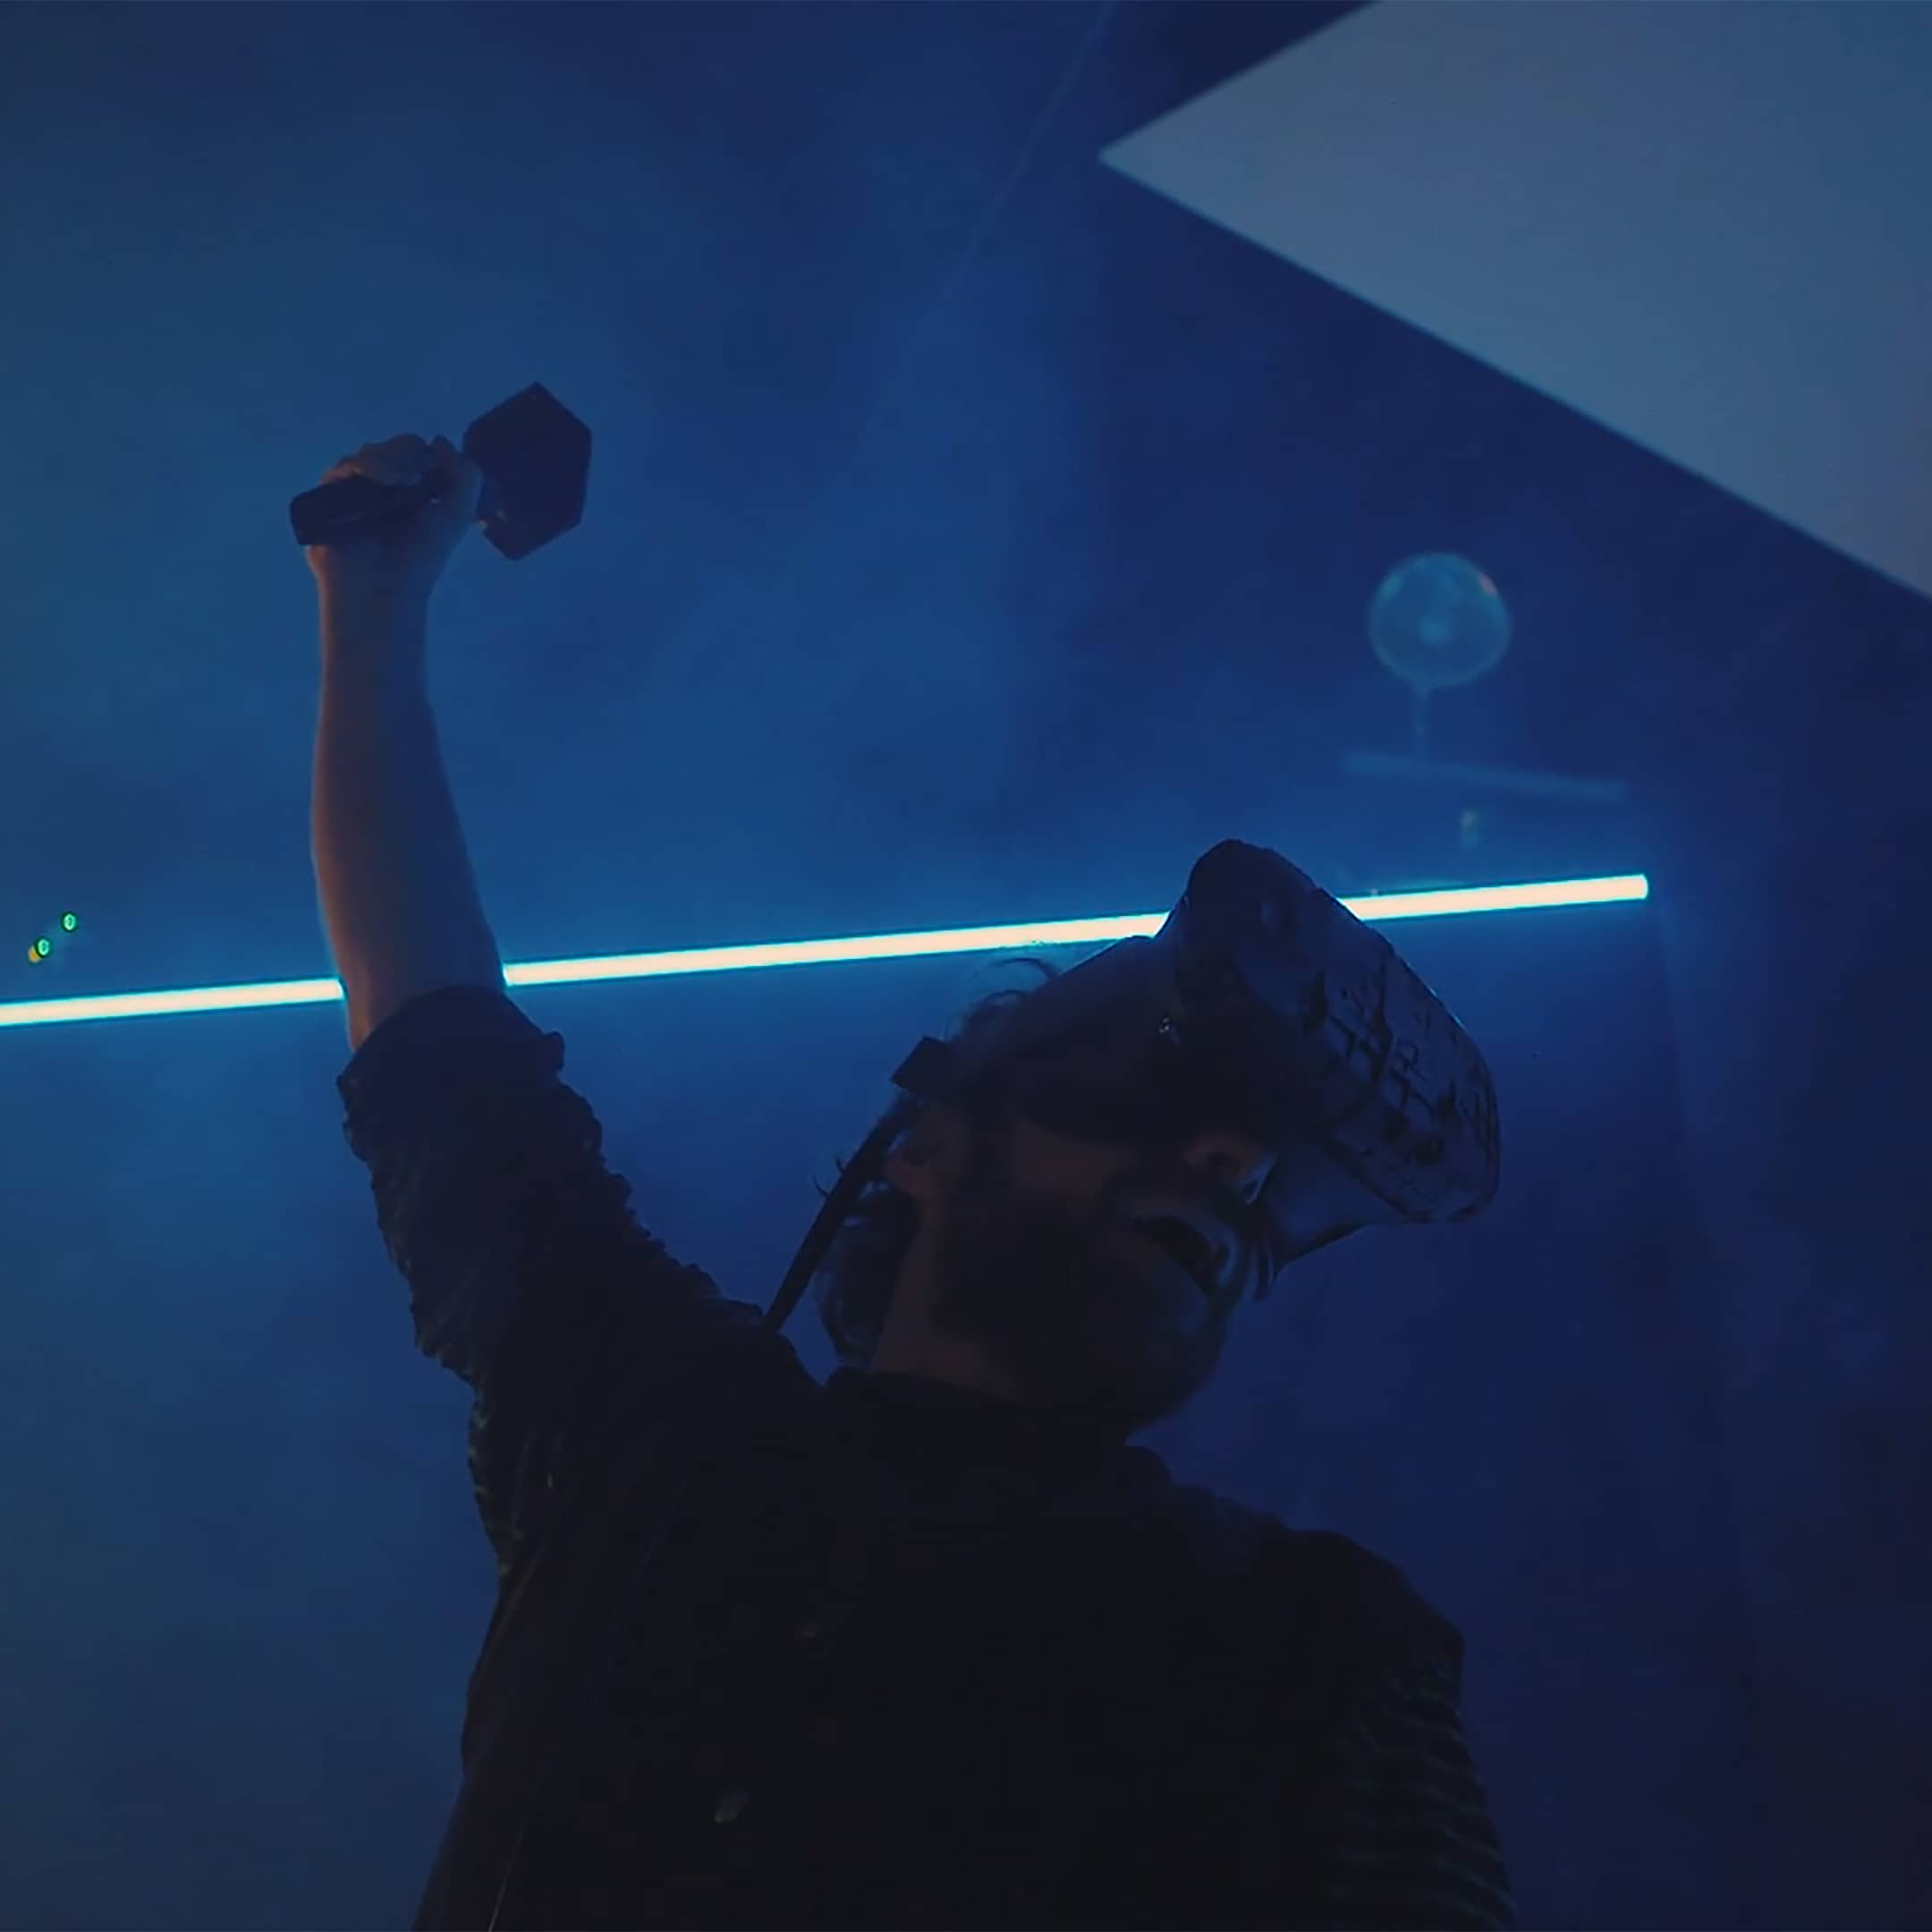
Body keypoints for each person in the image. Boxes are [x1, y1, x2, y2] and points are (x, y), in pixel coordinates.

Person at [308, 432, 1517, 1929]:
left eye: (1263, 1171)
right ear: (929, 1145)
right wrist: (371, 600)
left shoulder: (1320, 1649)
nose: (1231, 1163)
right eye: (1150, 1092)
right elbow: (440, 1050)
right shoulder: (656, 1446)